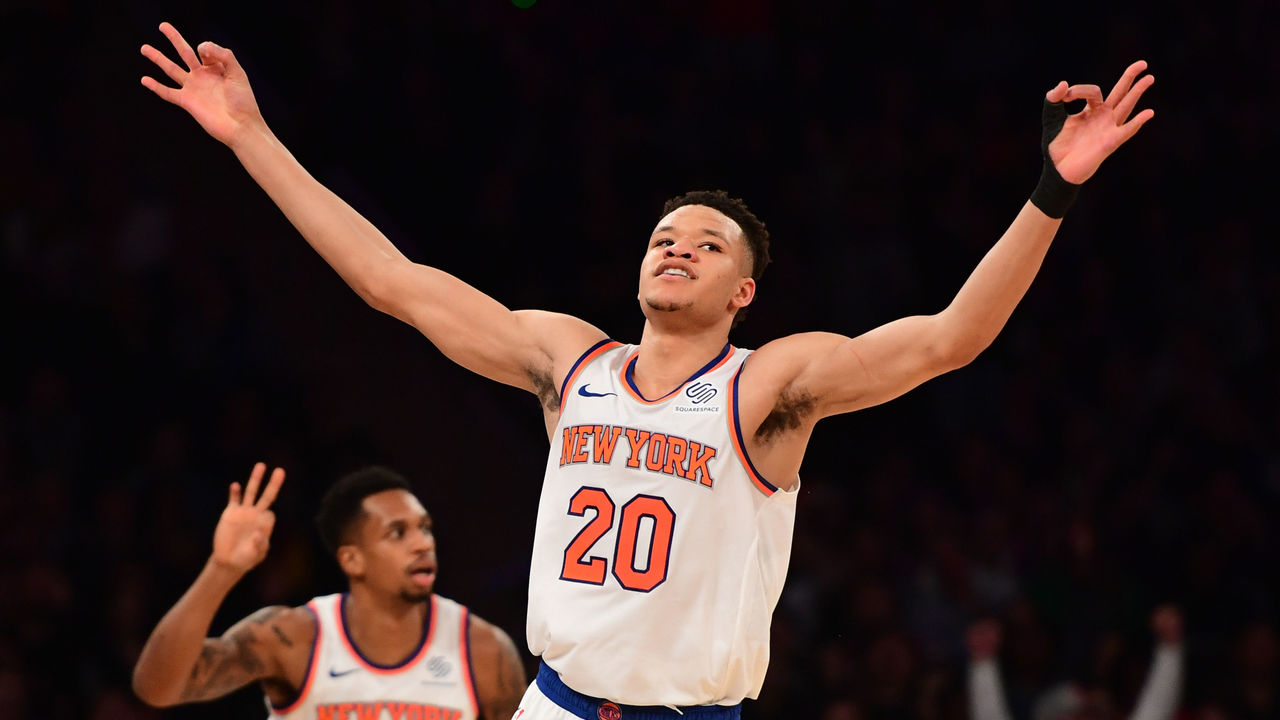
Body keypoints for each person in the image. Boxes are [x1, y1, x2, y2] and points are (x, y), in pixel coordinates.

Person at [139, 21, 1155, 719]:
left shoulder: (765, 388)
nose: (677, 249)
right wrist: (250, 136)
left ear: (743, 293)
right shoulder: (567, 359)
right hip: (556, 702)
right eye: (665, 237)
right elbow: (389, 282)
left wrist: (1052, 189)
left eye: (707, 246)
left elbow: (948, 339)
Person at [132, 462, 527, 719]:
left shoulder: (484, 651)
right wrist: (222, 570)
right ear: (352, 560)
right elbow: (157, 688)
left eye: (424, 528)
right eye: (398, 533)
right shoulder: (293, 638)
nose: (422, 544)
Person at [965, 606, 1184, 720]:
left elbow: (1155, 712)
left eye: (1091, 716)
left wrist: (1169, 648)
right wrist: (983, 664)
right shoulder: (1047, 708)